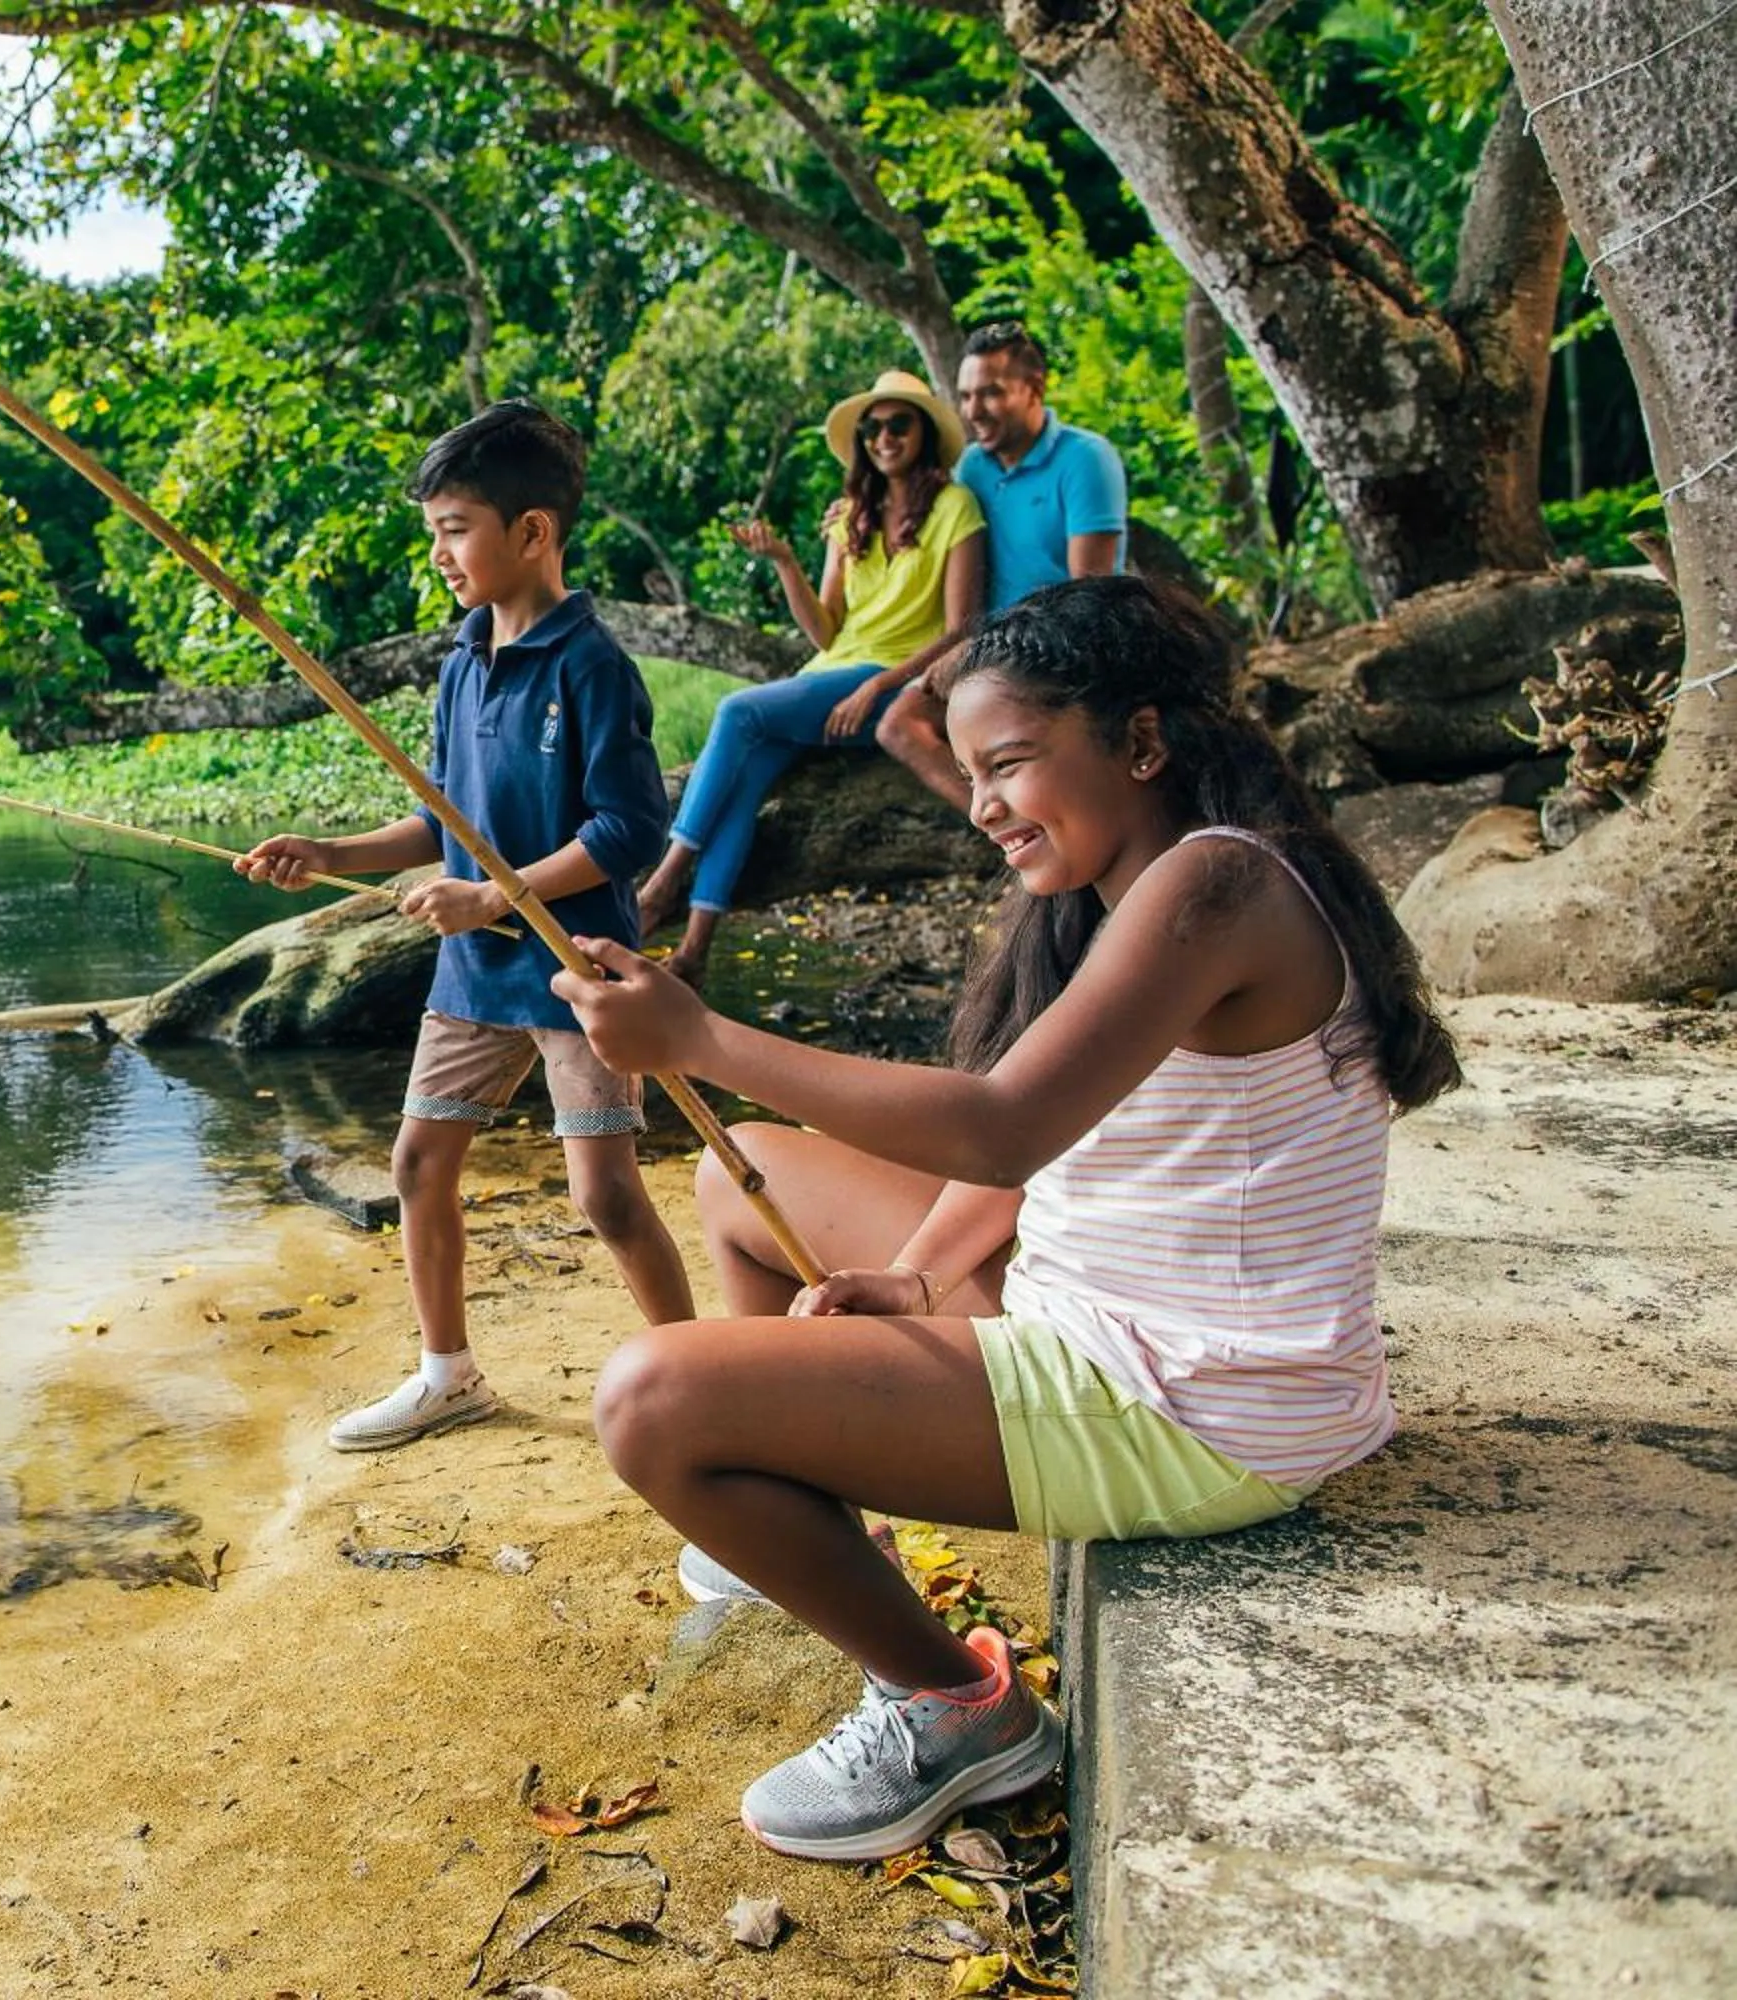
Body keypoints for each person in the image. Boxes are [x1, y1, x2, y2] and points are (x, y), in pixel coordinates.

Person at [551, 576, 1461, 1860]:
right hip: (1102, 1312)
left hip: (1201, 1404)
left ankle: (956, 1706)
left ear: (1140, 742)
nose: (982, 807)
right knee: (742, 1173)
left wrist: (698, 1036)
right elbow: (1045, 1150)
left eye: (1011, 764)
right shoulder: (1142, 879)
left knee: (647, 1398)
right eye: (968, 772)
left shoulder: (1218, 889)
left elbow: (1002, 1124)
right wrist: (918, 1281)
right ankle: (817, 1517)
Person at [237, 401, 695, 1451]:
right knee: (418, 1162)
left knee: (607, 1195)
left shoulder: (591, 666)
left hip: (580, 970)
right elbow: (442, 811)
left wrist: (497, 895)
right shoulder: (462, 661)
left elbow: (631, 827)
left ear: (532, 531)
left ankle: (705, 1377)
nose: (439, 552)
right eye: (435, 529)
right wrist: (331, 853)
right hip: (474, 977)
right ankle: (449, 1375)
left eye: (455, 527)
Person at [635, 370, 985, 985]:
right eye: (872, 429)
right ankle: (694, 949)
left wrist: (877, 687)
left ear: (924, 433)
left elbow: (960, 628)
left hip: (894, 683)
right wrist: (786, 563)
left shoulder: (956, 508)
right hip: (834, 672)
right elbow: (826, 632)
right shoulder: (850, 514)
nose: (883, 438)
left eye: (898, 424)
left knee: (737, 712)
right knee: (746, 777)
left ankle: (665, 878)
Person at [873, 323, 1130, 807]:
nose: (974, 411)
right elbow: (914, 514)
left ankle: (1037, 832)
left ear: (1034, 389)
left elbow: (1090, 597)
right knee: (898, 725)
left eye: (991, 394)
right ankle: (1005, 836)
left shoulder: (1086, 458)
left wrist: (978, 648)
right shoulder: (972, 468)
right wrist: (852, 512)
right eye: (966, 396)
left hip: (1066, 645)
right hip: (989, 649)